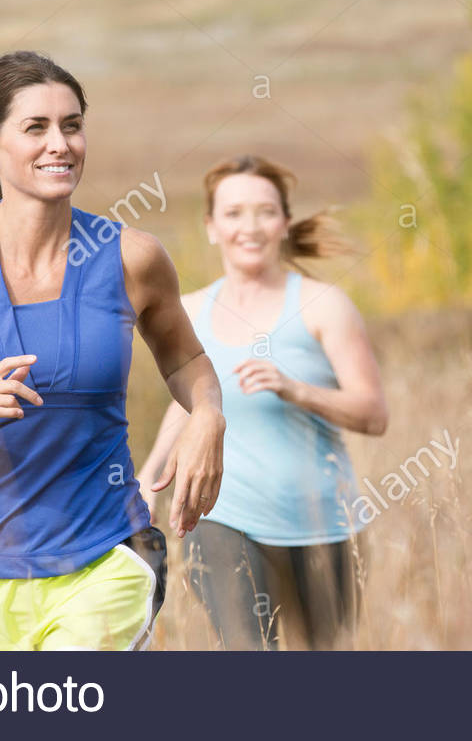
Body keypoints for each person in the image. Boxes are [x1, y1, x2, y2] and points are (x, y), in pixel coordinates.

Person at [0, 50, 226, 650]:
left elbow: (186, 362)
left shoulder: (132, 257)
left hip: (105, 557)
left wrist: (207, 416)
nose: (61, 144)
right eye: (37, 127)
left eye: (72, 125)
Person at [136, 155, 388, 650]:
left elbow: (373, 413)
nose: (248, 227)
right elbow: (186, 404)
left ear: (285, 223)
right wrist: (148, 477)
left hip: (324, 524)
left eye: (264, 212)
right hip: (224, 520)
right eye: (233, 214)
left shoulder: (324, 305)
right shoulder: (192, 311)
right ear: (211, 227)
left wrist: (295, 389)